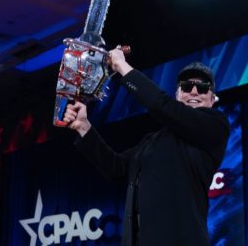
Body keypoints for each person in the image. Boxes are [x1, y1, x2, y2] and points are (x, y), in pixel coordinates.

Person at [63, 49, 230, 246]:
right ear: (177, 94)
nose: (193, 91)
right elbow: (115, 167)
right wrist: (84, 126)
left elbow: (161, 105)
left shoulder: (216, 125)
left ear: (212, 99)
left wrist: (122, 67)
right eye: (186, 86)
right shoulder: (152, 141)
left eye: (202, 87)